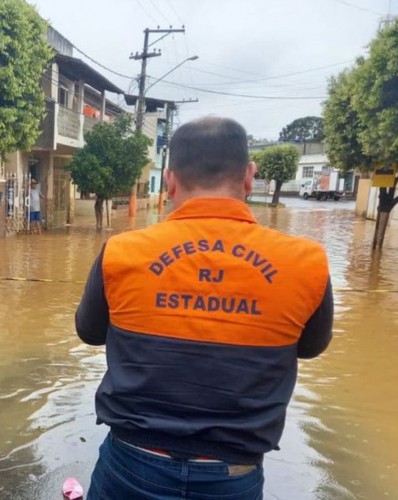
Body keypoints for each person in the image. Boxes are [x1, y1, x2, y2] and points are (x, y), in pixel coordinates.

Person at [75, 117, 333, 499]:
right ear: (249, 176)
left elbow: (89, 331)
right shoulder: (306, 262)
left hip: (132, 465)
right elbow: (310, 347)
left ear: (169, 179)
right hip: (233, 474)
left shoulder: (122, 252)